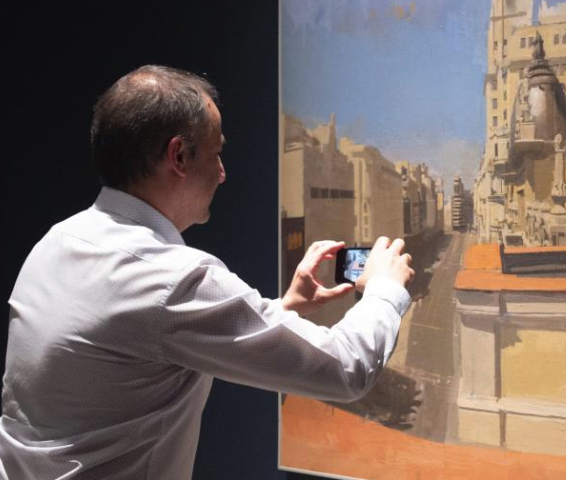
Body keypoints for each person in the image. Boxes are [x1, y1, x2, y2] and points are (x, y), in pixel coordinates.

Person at [0, 65, 414, 480]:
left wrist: (286, 308)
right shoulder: (173, 279)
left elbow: (143, 337)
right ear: (178, 156)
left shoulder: (55, 242)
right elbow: (347, 369)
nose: (222, 172)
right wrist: (384, 287)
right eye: (216, 153)